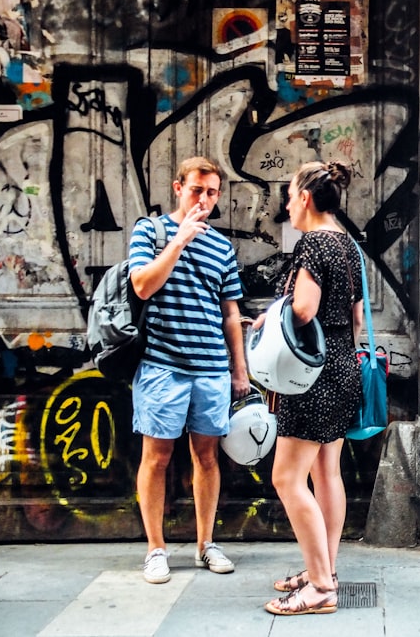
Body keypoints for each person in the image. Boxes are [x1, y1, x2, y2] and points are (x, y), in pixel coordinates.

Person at [128, 156, 251, 584]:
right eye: (197, 189)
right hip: (163, 365)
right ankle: (156, 549)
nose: (204, 199)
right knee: (156, 458)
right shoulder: (151, 231)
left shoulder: (221, 247)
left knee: (207, 457)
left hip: (211, 369)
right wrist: (178, 241)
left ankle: (205, 544)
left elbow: (230, 312)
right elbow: (142, 284)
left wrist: (239, 370)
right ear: (178, 187)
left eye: (212, 192)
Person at [256, 160, 363, 616]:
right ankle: (325, 569)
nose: (286, 205)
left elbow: (302, 310)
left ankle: (320, 588)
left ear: (304, 196)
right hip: (341, 368)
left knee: (286, 476)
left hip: (311, 376)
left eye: (288, 195)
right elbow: (357, 318)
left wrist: (269, 317)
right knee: (326, 474)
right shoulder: (347, 245)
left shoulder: (313, 244)